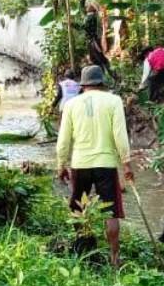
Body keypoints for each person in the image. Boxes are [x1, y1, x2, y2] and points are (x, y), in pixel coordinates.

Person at [57, 65, 133, 268]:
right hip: (106, 164)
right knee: (111, 211)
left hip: (79, 163)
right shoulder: (114, 101)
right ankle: (114, 258)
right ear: (102, 83)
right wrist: (126, 163)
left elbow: (63, 139)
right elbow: (120, 135)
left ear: (83, 85)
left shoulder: (71, 104)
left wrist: (61, 164)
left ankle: (85, 249)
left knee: (78, 207)